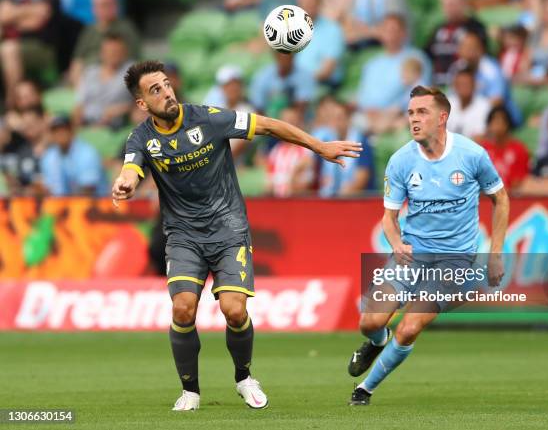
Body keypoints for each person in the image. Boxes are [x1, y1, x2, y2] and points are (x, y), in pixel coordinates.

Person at [112, 60, 362, 411]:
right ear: (142, 104)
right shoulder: (142, 138)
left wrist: (318, 146)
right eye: (155, 90)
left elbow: (269, 126)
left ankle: (244, 377)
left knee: (233, 310)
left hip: (228, 228)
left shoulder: (208, 118)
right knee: (183, 309)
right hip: (183, 234)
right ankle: (190, 391)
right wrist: (125, 182)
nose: (166, 92)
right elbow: (131, 167)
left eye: (167, 84)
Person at [347, 86, 508, 405]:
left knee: (409, 327)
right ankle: (378, 341)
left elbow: (500, 199)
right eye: (410, 113)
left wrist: (496, 254)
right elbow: (389, 218)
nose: (414, 119)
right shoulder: (401, 160)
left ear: (442, 117)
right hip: (411, 256)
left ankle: (365, 388)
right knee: (370, 322)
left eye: (422, 112)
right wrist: (395, 243)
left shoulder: (472, 154)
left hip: (454, 262)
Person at [68, 0, 140, 86]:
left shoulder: (126, 29)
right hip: (84, 81)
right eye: (97, 5)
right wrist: (79, 85)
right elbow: (77, 61)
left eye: (106, 4)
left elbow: (131, 62)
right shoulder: (89, 30)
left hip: (111, 81)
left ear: (115, 5)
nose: (101, 9)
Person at [426, 0, 487, 86]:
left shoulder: (475, 28)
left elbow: (482, 60)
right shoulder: (438, 29)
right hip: (437, 87)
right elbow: (426, 57)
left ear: (463, 2)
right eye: (446, 4)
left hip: (464, 87)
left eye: (453, 3)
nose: (449, 7)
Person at [73, 32, 133, 128]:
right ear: (101, 53)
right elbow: (79, 104)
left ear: (124, 53)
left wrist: (124, 108)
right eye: (109, 51)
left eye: (116, 51)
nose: (112, 55)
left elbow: (142, 103)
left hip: (113, 127)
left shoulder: (132, 72)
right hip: (86, 124)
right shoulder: (90, 72)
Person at [40, 115, 108, 196]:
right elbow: (51, 189)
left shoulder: (87, 153)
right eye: (56, 131)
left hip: (94, 203)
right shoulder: (49, 156)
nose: (60, 134)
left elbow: (88, 190)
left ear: (71, 131)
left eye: (64, 130)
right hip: (63, 204)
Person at [295, 0, 346, 88]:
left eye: (310, 2)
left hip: (322, 85)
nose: (306, 6)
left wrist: (300, 81)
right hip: (297, 84)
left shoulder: (333, 30)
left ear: (319, 3)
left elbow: (326, 72)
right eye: (303, 2)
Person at [479, 106, 530, 193]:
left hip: (512, 198)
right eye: (493, 121)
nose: (497, 125)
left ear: (507, 124)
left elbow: (519, 181)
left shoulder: (518, 149)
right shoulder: (482, 150)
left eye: (500, 121)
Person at [446, 64, 491, 139]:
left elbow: (481, 137)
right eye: (461, 84)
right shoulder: (446, 103)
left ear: (474, 85)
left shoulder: (485, 106)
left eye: (467, 84)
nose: (464, 88)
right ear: (454, 86)